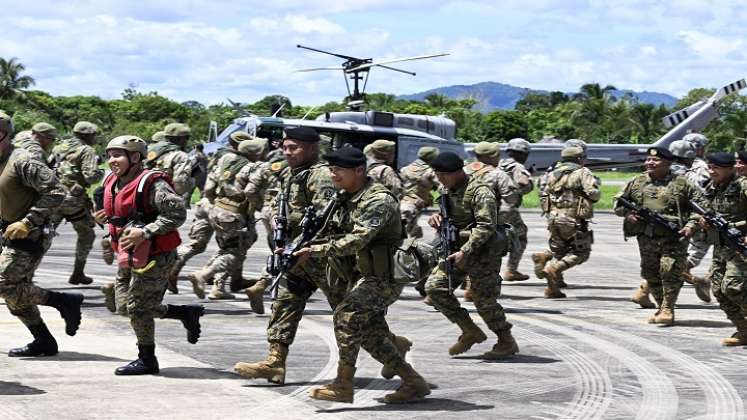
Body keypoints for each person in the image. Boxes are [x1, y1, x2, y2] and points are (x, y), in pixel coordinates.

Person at [295, 147, 429, 404]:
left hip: (384, 276)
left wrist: (315, 250)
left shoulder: (378, 200)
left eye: (338, 170)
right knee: (372, 334)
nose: (333, 175)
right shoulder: (345, 196)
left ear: (359, 171)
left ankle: (343, 384)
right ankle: (413, 382)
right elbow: (330, 230)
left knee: (346, 317)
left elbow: (358, 239)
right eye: (331, 170)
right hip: (361, 273)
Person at [233, 127, 339, 384]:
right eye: (285, 146)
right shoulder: (293, 174)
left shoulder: (320, 175)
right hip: (297, 254)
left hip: (322, 256)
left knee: (350, 315)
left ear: (312, 148)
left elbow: (326, 217)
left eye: (294, 147)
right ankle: (275, 362)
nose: (287, 152)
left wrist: (305, 245)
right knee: (284, 305)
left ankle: (394, 351)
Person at [93, 135, 204, 375]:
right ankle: (184, 313)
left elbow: (177, 214)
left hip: (156, 254)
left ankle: (147, 359)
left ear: (135, 157)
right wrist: (104, 215)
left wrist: (145, 231)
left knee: (138, 308)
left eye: (118, 155)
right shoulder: (113, 181)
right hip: (129, 252)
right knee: (125, 307)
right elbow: (120, 210)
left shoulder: (153, 183)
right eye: (109, 155)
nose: (112, 161)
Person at [0, 113, 84, 357]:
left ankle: (62, 300)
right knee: (15, 292)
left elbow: (57, 191)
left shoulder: (23, 161)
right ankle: (44, 341)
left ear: (5, 135)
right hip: (6, 231)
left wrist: (28, 221)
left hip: (31, 233)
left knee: (4, 284)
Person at [424, 151, 519, 359]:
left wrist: (465, 252)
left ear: (458, 172)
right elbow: (449, 214)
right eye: (437, 174)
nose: (440, 179)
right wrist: (437, 218)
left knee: (483, 300)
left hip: (483, 251)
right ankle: (469, 330)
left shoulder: (480, 192)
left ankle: (506, 340)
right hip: (456, 249)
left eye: (443, 174)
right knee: (435, 288)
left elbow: (486, 226)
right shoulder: (446, 189)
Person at [614, 147, 704, 325]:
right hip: (646, 236)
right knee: (650, 272)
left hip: (674, 236)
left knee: (669, 271)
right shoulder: (637, 181)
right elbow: (618, 204)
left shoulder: (682, 183)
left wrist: (690, 226)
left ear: (668, 163)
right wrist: (628, 214)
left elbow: (701, 208)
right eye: (648, 159)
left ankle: (668, 309)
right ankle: (661, 305)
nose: (650, 163)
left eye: (655, 160)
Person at [533, 146, 600, 298]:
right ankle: (554, 269)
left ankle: (552, 288)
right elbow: (594, 194)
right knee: (581, 253)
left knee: (560, 251)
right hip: (573, 219)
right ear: (579, 158)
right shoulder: (582, 172)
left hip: (553, 217)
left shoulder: (551, 174)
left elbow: (542, 192)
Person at [50, 121, 104, 285]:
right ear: (87, 136)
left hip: (53, 196)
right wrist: (100, 171)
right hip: (73, 200)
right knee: (87, 233)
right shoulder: (86, 150)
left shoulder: (60, 146)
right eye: (93, 135)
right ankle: (77, 273)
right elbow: (91, 176)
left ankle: (26, 275)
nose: (95, 138)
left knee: (43, 235)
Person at [701, 152, 747, 345]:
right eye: (709, 167)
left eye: (716, 168)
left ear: (730, 168)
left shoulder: (743, 185)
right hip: (720, 245)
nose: (711, 171)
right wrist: (702, 221)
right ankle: (744, 330)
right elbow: (706, 209)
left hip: (740, 246)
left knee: (733, 286)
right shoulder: (712, 186)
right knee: (718, 290)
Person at [500, 138, 534, 281]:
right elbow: (524, 187)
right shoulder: (518, 167)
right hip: (507, 208)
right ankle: (511, 270)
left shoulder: (498, 164)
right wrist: (530, 180)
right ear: (524, 154)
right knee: (521, 236)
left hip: (490, 206)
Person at [399, 146, 439, 238]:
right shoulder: (429, 171)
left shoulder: (405, 168)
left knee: (408, 231)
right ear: (432, 158)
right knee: (411, 235)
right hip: (414, 205)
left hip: (402, 203)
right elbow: (442, 186)